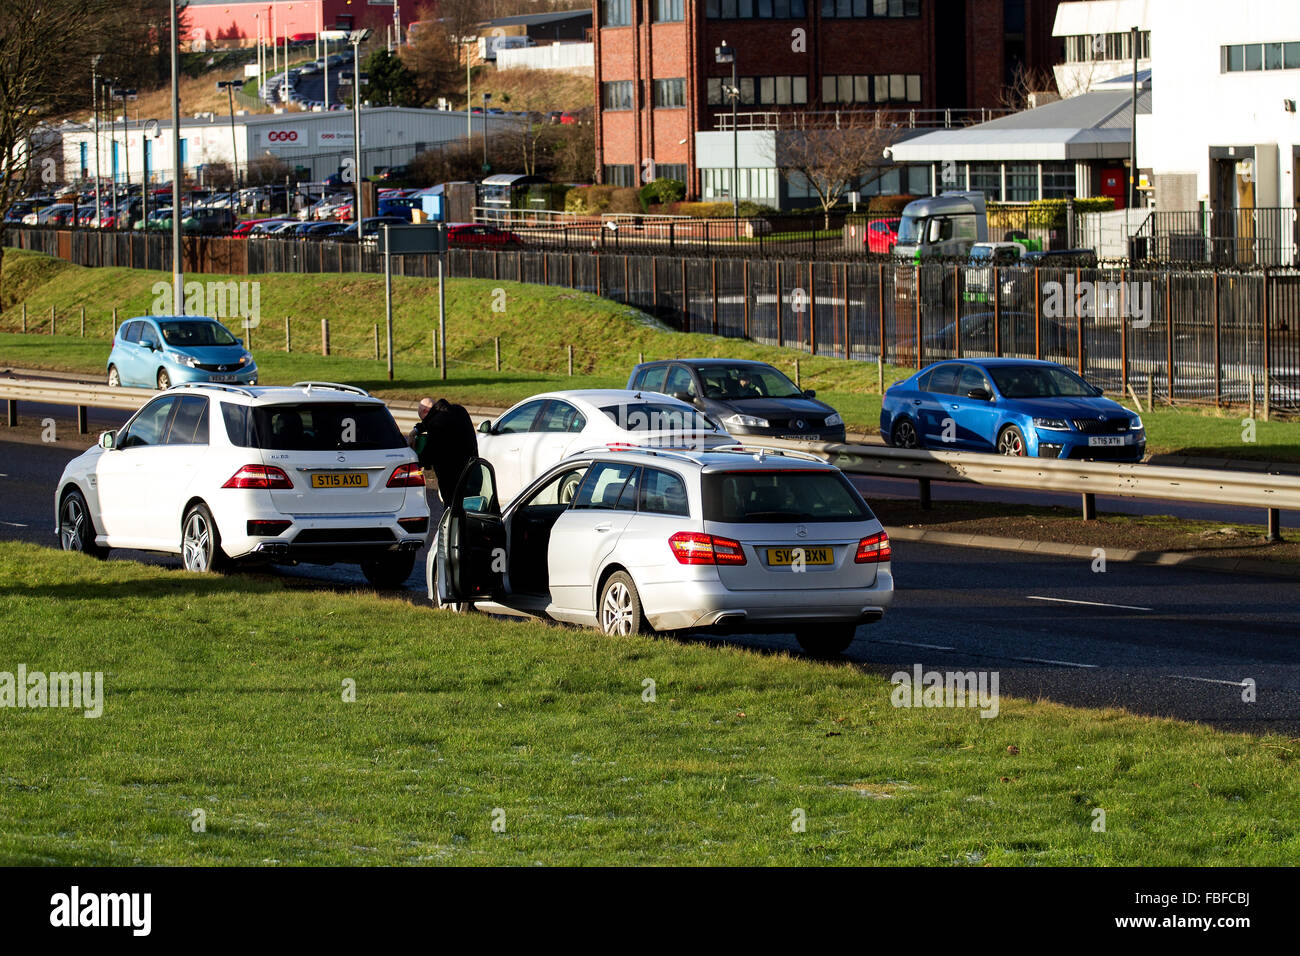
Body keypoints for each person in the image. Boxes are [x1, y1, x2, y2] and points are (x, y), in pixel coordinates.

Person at [409, 397, 478, 506]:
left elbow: (427, 457)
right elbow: (430, 419)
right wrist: (416, 430)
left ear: (425, 411)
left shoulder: (436, 425)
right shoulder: (459, 410)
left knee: (453, 514)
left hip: (454, 481)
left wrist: (412, 454)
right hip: (473, 473)